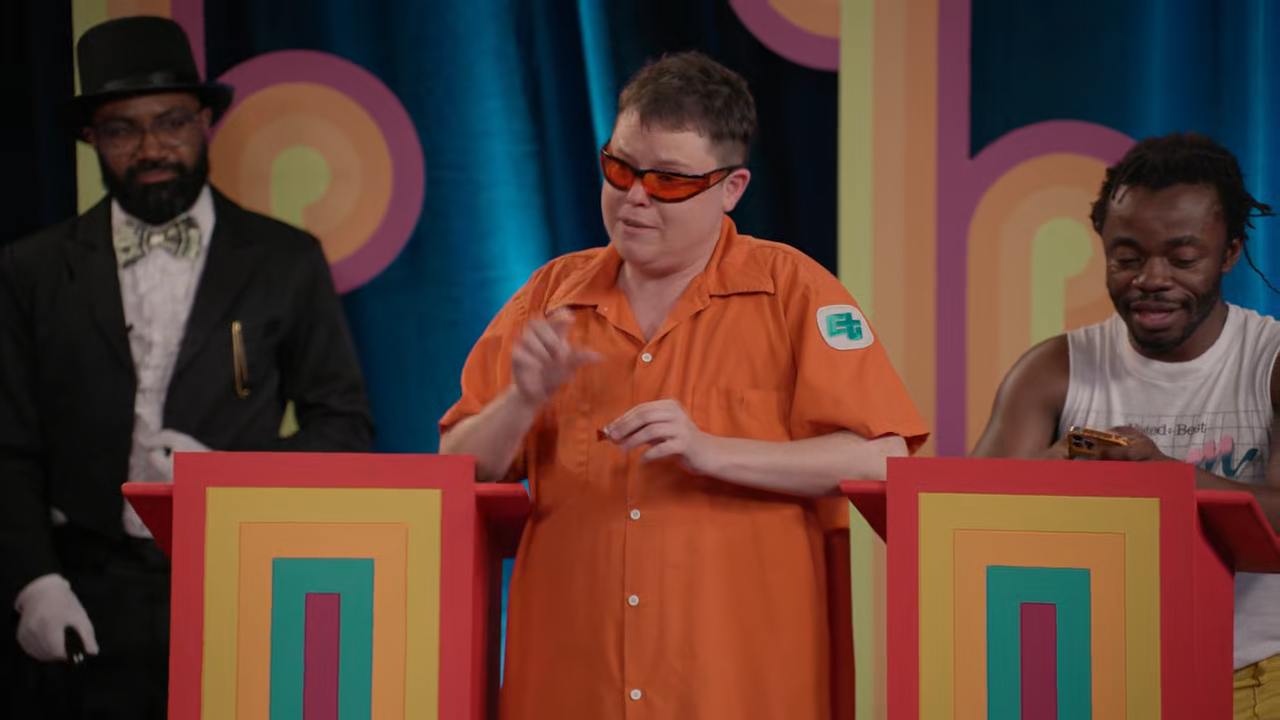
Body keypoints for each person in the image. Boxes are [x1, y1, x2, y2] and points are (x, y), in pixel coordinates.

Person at [439, 50, 929, 720]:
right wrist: (520, 401)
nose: (635, 197)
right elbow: (456, 467)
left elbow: (884, 457)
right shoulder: (549, 296)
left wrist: (713, 450)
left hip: (742, 687)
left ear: (731, 188)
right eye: (620, 169)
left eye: (668, 180)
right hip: (571, 685)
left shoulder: (793, 291)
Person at [0, 16, 373, 718]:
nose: (151, 148)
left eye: (171, 122)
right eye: (122, 129)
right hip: (83, 595)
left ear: (205, 122)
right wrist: (33, 582)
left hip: (240, 580)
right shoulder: (31, 269)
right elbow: (9, 448)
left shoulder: (285, 259)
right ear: (92, 138)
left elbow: (345, 430)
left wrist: (231, 477)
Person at [971, 131, 1280, 717]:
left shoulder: (1271, 362)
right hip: (1092, 681)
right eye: (1127, 258)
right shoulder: (1054, 368)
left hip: (1254, 679)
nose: (1151, 279)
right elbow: (964, 520)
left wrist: (1160, 478)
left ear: (1230, 253)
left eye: (1182, 259)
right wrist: (1058, 466)